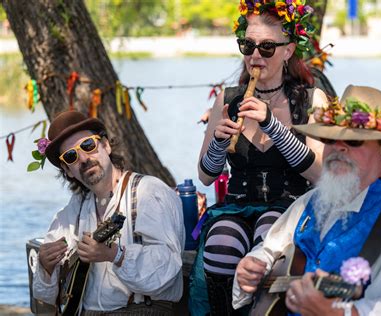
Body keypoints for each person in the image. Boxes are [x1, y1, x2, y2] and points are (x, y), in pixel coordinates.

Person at [233, 85, 381, 315]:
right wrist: (254, 265)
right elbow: (270, 247)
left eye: (354, 142)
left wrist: (340, 312)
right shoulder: (313, 201)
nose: (339, 148)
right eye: (331, 139)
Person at [190, 1, 330, 315]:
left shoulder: (311, 100)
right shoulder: (228, 99)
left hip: (290, 208)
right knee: (221, 244)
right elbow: (206, 176)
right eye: (248, 45)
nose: (255, 55)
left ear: (289, 51)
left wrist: (273, 126)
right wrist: (218, 143)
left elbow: (320, 174)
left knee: (269, 232)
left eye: (267, 47)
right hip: (237, 206)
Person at [32, 111, 185, 315]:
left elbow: (168, 268)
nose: (84, 158)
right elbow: (45, 298)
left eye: (88, 145)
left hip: (143, 310)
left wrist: (115, 255)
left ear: (105, 145)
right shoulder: (72, 212)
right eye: (71, 156)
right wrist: (45, 266)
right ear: (68, 170)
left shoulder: (149, 192)